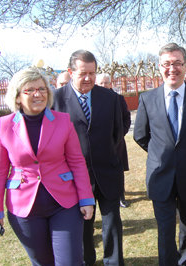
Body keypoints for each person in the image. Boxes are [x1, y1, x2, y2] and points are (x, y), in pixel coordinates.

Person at [0, 67, 95, 265]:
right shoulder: (4, 125)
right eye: (30, 90)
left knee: (70, 261)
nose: (38, 94)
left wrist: (86, 199)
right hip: (24, 210)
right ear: (18, 97)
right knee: (43, 262)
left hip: (64, 205)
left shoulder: (63, 121)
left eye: (42, 89)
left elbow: (77, 162)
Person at [133, 43, 186, 266]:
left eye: (177, 63)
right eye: (167, 64)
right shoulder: (147, 99)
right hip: (160, 175)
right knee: (165, 228)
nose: (172, 68)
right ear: (159, 67)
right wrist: (161, 154)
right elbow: (140, 135)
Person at [52, 50, 125, 265]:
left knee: (112, 223)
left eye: (92, 73)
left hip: (108, 171)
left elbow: (118, 133)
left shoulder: (110, 98)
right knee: (84, 225)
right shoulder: (56, 99)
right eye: (83, 73)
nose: (88, 78)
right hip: (75, 177)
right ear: (70, 72)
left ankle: (113, 261)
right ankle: (87, 261)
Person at [96, 72, 132, 208]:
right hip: (97, 144)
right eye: (100, 83)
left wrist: (119, 134)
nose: (103, 85)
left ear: (110, 84)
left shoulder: (118, 98)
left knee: (118, 170)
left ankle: (120, 197)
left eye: (106, 82)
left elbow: (126, 118)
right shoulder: (92, 99)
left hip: (116, 143)